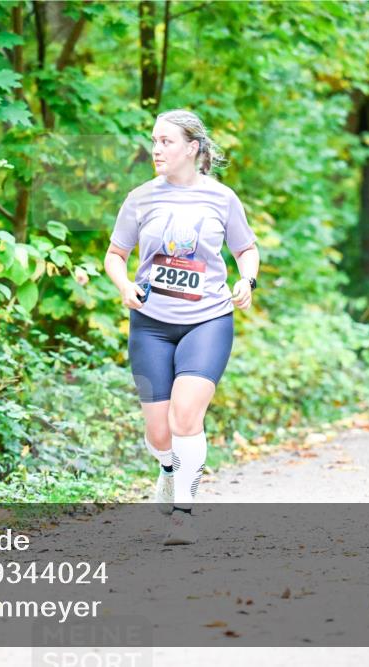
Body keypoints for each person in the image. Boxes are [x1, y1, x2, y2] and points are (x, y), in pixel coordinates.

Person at [103, 108, 260, 546]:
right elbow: (115, 255)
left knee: (186, 416)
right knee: (158, 431)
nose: (156, 149)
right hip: (151, 323)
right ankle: (167, 469)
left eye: (166, 141)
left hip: (207, 319)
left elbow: (246, 249)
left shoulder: (222, 199)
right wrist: (124, 285)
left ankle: (185, 512)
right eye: (154, 141)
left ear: (192, 148)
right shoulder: (139, 198)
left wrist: (246, 279)